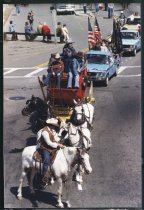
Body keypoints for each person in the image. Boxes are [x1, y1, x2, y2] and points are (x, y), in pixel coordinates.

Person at [37, 118, 65, 189]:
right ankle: (44, 176)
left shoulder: (52, 130)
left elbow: (55, 139)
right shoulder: (44, 132)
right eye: (54, 125)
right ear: (50, 125)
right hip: (45, 148)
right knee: (46, 160)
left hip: (52, 147)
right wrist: (58, 145)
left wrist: (61, 137)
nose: (55, 127)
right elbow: (48, 143)